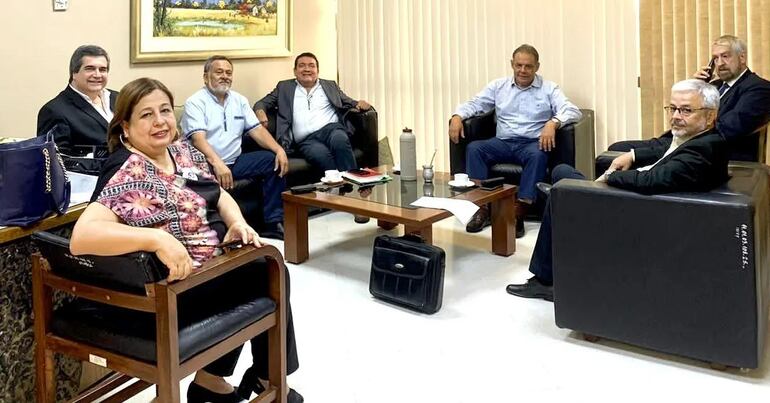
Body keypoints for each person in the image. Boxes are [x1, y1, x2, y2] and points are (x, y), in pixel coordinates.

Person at [69, 78, 302, 403]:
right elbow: (82, 237)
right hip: (170, 289)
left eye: (164, 110)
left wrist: (236, 222)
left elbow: (218, 193)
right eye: (146, 115)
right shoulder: (128, 168)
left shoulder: (181, 151)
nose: (160, 121)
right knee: (265, 271)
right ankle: (261, 379)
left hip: (209, 269)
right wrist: (155, 239)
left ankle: (215, 381)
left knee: (259, 265)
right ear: (126, 125)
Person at [507, 79, 730, 301]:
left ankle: (543, 279)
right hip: (641, 200)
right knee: (561, 172)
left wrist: (611, 178)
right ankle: (562, 195)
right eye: (672, 108)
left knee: (560, 191)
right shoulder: (698, 138)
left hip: (634, 211)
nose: (675, 116)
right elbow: (666, 148)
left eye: (686, 110)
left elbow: (651, 179)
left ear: (710, 115)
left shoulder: (702, 150)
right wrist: (631, 155)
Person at [448, 44, 582, 238]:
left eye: (528, 66)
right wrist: (457, 116)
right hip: (502, 142)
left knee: (538, 155)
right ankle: (482, 207)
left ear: (537, 67)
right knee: (475, 148)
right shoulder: (498, 86)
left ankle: (519, 210)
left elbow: (572, 111)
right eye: (519, 65)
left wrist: (553, 123)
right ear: (512, 64)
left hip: (531, 144)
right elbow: (476, 104)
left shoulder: (549, 89)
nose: (523, 70)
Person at [608, 35, 770, 161]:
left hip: (708, 152)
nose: (719, 63)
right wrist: (696, 86)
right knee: (616, 148)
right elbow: (683, 112)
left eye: (725, 56)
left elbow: (728, 129)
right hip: (681, 142)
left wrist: (680, 141)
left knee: (618, 152)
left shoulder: (758, 88)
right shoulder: (713, 85)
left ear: (742, 58)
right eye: (715, 58)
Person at [254, 51, 373, 223]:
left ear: (318, 70)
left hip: (331, 129)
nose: (307, 69)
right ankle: (343, 195)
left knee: (340, 141)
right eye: (302, 66)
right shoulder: (284, 87)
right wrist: (260, 111)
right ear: (295, 71)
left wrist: (358, 103)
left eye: (311, 65)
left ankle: (355, 198)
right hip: (306, 140)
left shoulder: (329, 85)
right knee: (321, 156)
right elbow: (262, 103)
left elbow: (347, 101)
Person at [181, 55, 288, 240]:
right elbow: (198, 140)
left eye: (228, 72)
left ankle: (272, 223)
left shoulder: (239, 100)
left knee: (273, 162)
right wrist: (218, 164)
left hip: (235, 161)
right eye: (219, 72)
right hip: (205, 165)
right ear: (206, 77)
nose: (225, 76)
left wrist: (279, 150)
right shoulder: (195, 102)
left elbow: (257, 131)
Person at [38, 45, 117, 156]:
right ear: (74, 73)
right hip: (95, 173)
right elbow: (58, 162)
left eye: (103, 70)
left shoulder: (118, 98)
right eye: (90, 69)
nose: (97, 75)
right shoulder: (54, 111)